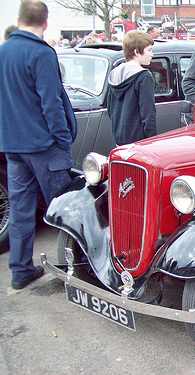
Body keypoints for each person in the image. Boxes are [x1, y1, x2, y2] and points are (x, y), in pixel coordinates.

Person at [0, 0, 77, 289]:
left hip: (13, 145)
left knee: (20, 210)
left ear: (19, 19)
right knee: (67, 209)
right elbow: (52, 103)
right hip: (44, 146)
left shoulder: (3, 51)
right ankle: (77, 271)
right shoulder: (41, 52)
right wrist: (61, 140)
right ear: (45, 24)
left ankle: (20, 271)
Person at [107, 30, 156, 146]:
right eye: (149, 50)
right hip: (139, 141)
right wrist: (152, 141)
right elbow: (148, 113)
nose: (152, 54)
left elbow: (110, 109)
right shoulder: (144, 76)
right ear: (136, 52)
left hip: (119, 137)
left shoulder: (114, 73)